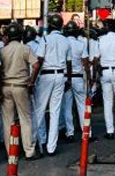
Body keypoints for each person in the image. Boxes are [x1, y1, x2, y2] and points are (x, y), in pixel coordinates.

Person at [0, 22, 40, 160]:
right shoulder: (25, 48)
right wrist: (31, 82)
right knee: (25, 119)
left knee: (8, 121)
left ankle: (11, 152)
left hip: (5, 86)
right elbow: (35, 65)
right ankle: (29, 151)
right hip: (21, 87)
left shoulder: (2, 50)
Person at [33, 13, 72, 156]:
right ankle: (51, 147)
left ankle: (34, 142)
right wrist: (68, 79)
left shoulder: (45, 39)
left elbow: (40, 60)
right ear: (61, 26)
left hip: (46, 75)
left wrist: (33, 79)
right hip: (60, 75)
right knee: (55, 111)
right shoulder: (66, 41)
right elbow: (69, 62)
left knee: (39, 109)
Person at [62, 21, 89, 142]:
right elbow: (86, 63)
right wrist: (89, 77)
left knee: (67, 107)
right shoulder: (80, 44)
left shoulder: (63, 43)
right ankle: (86, 131)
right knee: (82, 105)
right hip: (78, 77)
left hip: (65, 77)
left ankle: (70, 132)